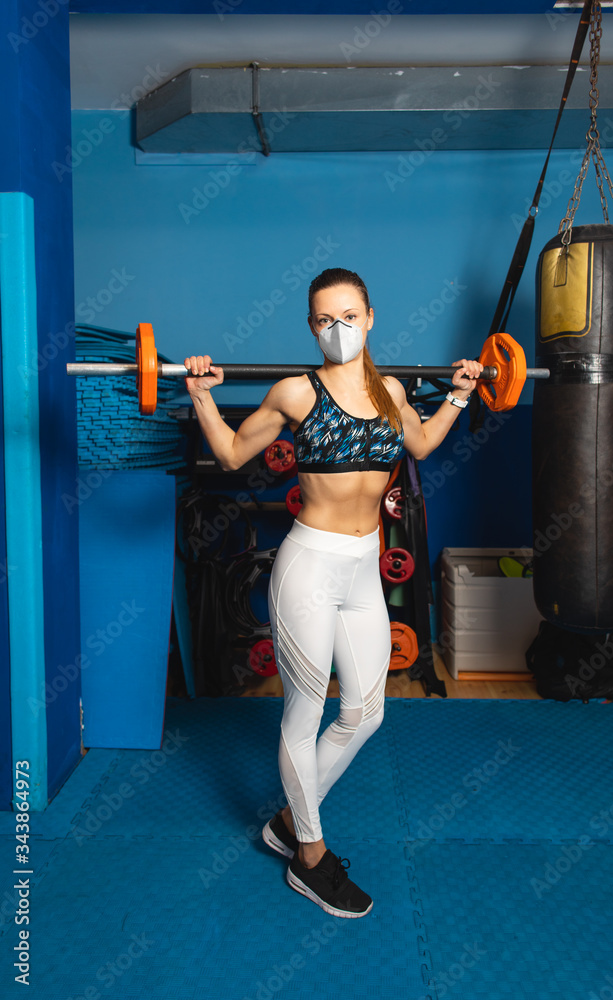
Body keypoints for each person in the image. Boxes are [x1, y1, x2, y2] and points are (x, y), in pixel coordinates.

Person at [184, 267, 483, 919]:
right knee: (304, 710)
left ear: (370, 317)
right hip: (309, 565)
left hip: (363, 565)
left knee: (366, 712)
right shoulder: (294, 391)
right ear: (311, 326)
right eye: (324, 319)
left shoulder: (391, 389)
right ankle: (309, 858)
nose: (337, 329)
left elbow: (424, 444)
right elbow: (233, 455)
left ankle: (289, 820)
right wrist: (203, 395)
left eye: (348, 316)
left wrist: (458, 395)